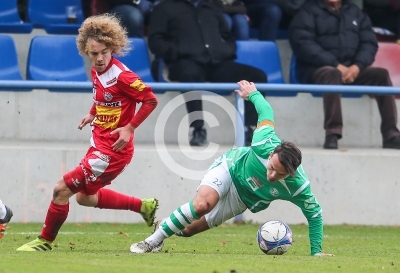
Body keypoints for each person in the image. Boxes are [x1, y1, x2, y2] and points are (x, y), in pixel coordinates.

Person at [130, 80, 334, 257]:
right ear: (271, 155)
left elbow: (314, 213)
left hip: (242, 198)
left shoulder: (298, 186)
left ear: (290, 173)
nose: (271, 176)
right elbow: (266, 111)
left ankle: (164, 226)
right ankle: (151, 241)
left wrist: (316, 252)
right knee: (202, 205)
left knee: (189, 230)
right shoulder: (263, 142)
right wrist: (253, 94)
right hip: (230, 167)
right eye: (271, 167)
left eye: (279, 174)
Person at [17, 13, 159, 251]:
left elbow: (150, 100)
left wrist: (130, 128)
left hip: (112, 151)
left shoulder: (123, 76)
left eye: (104, 52)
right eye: (94, 54)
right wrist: (93, 112)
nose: (100, 58)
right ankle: (144, 206)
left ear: (112, 47)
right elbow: (104, 96)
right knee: (84, 197)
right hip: (98, 144)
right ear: (86, 51)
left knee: (60, 190)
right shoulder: (96, 71)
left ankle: (44, 242)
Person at [148, 0, 267, 146]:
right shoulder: (164, 7)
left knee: (257, 76)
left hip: (216, 63)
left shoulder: (211, 7)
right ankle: (197, 128)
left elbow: (228, 38)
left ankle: (250, 129)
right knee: (190, 75)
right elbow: (155, 41)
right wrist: (178, 51)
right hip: (184, 62)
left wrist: (225, 51)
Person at [289, 0, 400, 149]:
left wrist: (358, 66)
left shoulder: (355, 12)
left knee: (381, 75)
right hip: (317, 69)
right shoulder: (306, 11)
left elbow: (369, 43)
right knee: (333, 74)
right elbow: (303, 44)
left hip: (352, 70)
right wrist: (335, 64)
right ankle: (332, 133)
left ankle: (391, 135)